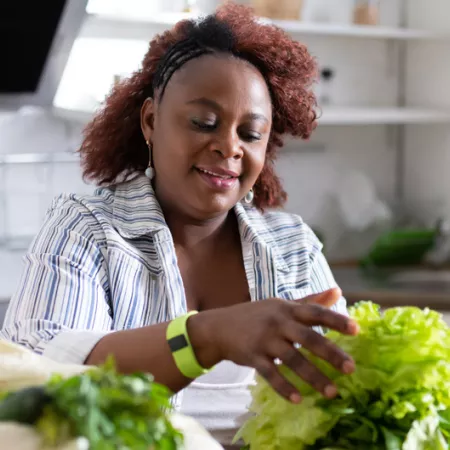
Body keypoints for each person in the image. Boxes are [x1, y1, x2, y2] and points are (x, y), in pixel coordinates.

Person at [0, 3, 359, 448]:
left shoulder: (293, 247)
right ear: (151, 121)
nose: (229, 147)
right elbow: (44, 379)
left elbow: (340, 400)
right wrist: (207, 336)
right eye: (204, 123)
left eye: (250, 134)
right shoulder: (86, 228)